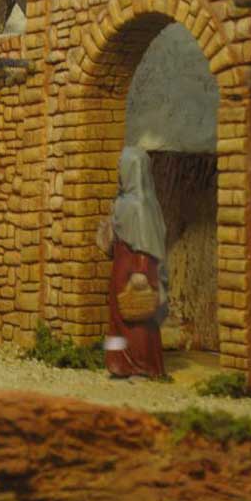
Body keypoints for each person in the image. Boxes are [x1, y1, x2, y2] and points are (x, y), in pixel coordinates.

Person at [99, 146, 168, 379]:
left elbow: (146, 242)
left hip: (137, 270)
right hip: (121, 265)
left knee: (138, 319)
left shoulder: (142, 206)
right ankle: (117, 362)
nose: (119, 172)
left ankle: (141, 364)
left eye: (122, 167)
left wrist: (141, 270)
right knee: (117, 317)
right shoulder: (122, 202)